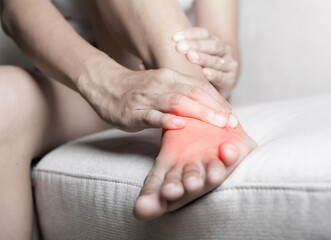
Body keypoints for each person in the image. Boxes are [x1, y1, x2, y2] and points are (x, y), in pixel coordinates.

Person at [0, 0, 257, 238]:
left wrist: (221, 60)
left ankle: (193, 100)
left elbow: (224, 39)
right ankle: (193, 100)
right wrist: (108, 84)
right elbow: (15, 9)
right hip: (82, 79)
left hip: (170, 73)